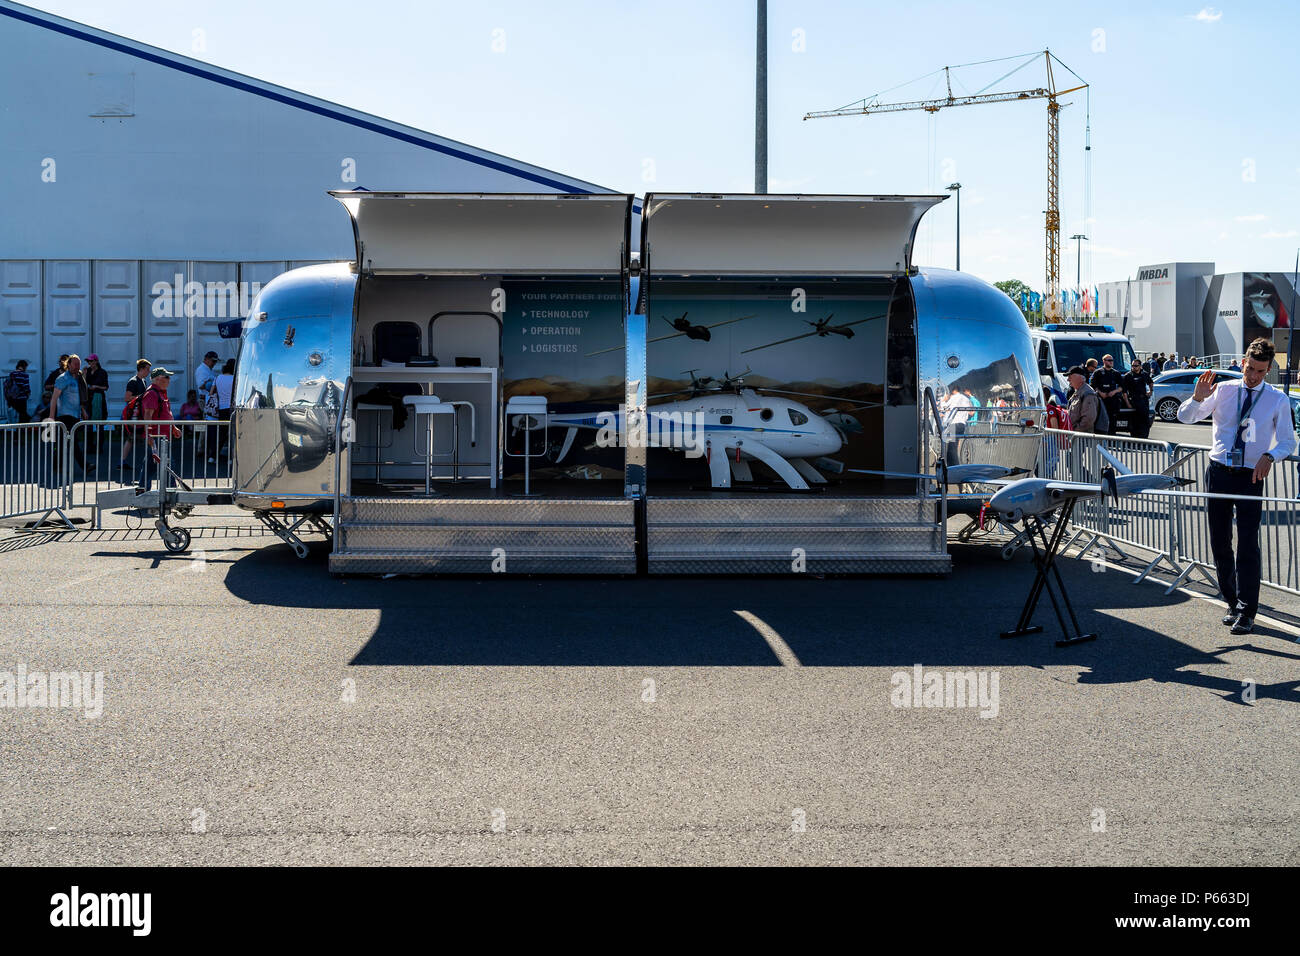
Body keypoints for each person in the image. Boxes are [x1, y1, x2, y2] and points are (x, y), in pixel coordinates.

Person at [1177, 338, 1298, 634]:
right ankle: (1231, 601)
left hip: (1250, 477)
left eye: (1260, 371)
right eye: (1250, 368)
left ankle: (1247, 610)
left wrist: (1270, 456)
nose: (1253, 376)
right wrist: (1196, 398)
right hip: (1218, 472)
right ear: (1243, 363)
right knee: (1219, 541)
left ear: (1268, 369)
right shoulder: (1224, 390)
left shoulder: (1277, 399)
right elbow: (1185, 418)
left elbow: (1288, 440)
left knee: (1247, 544)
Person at [138, 367, 182, 494]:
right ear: (157, 379)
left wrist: (173, 427)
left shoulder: (161, 392)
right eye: (167, 377)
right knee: (168, 464)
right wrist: (149, 435)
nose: (169, 380)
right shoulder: (152, 393)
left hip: (162, 436)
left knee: (150, 466)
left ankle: (142, 492)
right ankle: (170, 492)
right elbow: (148, 415)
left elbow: (166, 413)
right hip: (157, 436)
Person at [47, 353, 85, 476]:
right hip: (64, 416)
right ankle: (81, 465)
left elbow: (77, 397)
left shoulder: (77, 378)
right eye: (75, 364)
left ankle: (58, 466)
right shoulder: (62, 378)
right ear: (68, 364)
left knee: (67, 442)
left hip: (74, 415)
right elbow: (54, 398)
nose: (77, 366)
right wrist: (52, 417)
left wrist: (83, 411)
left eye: (78, 364)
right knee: (67, 442)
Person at [120, 358, 152, 472]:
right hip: (133, 415)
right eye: (147, 369)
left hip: (139, 415)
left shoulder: (143, 381)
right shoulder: (133, 381)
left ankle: (123, 461)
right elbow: (127, 398)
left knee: (135, 438)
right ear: (141, 369)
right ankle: (123, 461)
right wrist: (141, 397)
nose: (149, 372)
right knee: (134, 438)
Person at [81, 353, 110, 461]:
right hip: (88, 399)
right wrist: (83, 374)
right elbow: (83, 385)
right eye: (88, 362)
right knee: (88, 424)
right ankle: (89, 446)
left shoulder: (102, 372)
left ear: (96, 361)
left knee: (99, 424)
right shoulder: (87, 371)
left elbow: (106, 387)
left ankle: (99, 447)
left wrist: (96, 386)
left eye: (91, 361)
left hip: (98, 399)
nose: (89, 363)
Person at [1089, 353, 1124, 435]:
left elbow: (1122, 387)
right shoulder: (1098, 373)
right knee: (1100, 420)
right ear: (1104, 361)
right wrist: (1100, 393)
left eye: (1112, 360)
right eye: (1109, 360)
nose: (1111, 362)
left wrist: (1114, 391)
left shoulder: (1116, 373)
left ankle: (1112, 440)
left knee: (1112, 422)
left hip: (1113, 401)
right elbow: (1092, 386)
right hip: (1101, 401)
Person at [1122, 358, 1153, 439]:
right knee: (1135, 420)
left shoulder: (1144, 374)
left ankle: (1144, 438)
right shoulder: (1128, 376)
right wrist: (1128, 403)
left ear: (1140, 366)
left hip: (1144, 400)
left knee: (1145, 420)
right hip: (1134, 400)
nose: (1134, 367)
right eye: (1132, 365)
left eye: (1136, 366)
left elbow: (1150, 382)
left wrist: (1151, 391)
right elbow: (1124, 392)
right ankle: (1135, 438)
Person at [1065, 366, 1099, 434]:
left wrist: (1075, 432)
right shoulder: (1078, 391)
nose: (1068, 379)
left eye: (1070, 376)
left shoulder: (1088, 393)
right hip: (1077, 437)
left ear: (1080, 378)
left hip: (1083, 438)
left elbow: (1088, 419)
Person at [214, 358, 236, 456]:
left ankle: (213, 456)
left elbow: (211, 392)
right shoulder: (235, 379)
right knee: (233, 433)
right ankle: (232, 457)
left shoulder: (218, 377)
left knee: (221, 434)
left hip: (222, 408)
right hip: (232, 409)